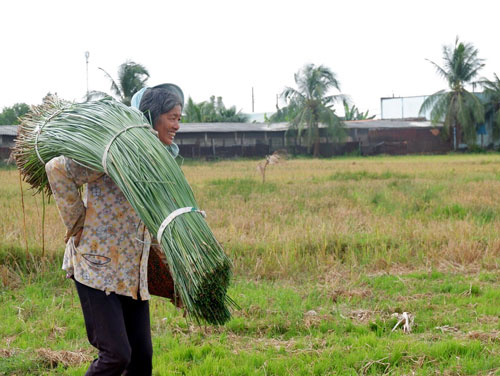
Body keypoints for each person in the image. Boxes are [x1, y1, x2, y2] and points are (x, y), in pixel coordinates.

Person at [45, 84, 183, 375]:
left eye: (179, 118)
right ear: (154, 116)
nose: (177, 125)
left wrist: (172, 275)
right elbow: (56, 168)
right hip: (97, 268)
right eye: (172, 117)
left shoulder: (157, 163)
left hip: (131, 274)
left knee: (141, 357)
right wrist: (77, 223)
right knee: (116, 355)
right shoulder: (114, 153)